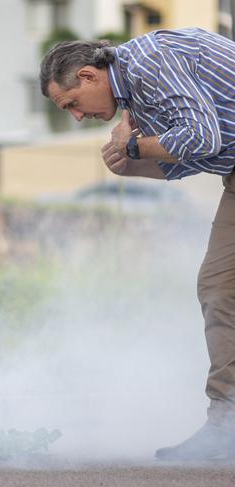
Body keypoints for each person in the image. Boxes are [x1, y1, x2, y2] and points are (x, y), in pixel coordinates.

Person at [40, 27, 235, 460]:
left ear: (90, 76)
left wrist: (133, 143)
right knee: (219, 288)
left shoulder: (149, 60)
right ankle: (227, 430)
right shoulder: (132, 96)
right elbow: (194, 157)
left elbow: (204, 137)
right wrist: (133, 165)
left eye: (70, 104)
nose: (75, 117)